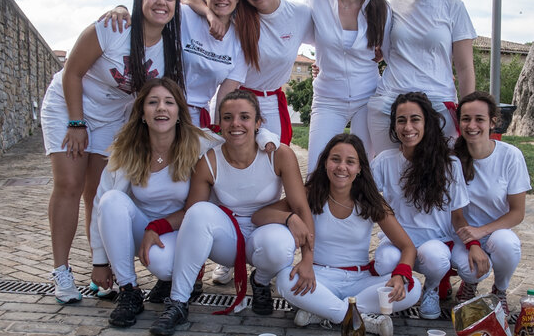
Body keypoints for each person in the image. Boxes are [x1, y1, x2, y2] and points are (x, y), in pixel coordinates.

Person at [40, 0, 184, 304]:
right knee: (69, 185)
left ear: (175, 6)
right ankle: (61, 272)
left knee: (99, 192)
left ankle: (99, 268)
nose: (160, 2)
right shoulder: (112, 28)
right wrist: (76, 123)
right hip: (69, 105)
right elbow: (72, 72)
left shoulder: (168, 49)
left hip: (111, 118)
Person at [148, 89, 315, 336]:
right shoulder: (209, 160)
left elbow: (301, 207)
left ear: (258, 123)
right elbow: (189, 214)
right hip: (227, 238)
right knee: (200, 211)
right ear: (220, 123)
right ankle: (178, 302)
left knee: (279, 245)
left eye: (244, 117)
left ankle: (260, 282)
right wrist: (156, 227)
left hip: (264, 230)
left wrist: (308, 260)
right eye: (227, 117)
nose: (235, 123)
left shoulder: (278, 154)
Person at [88, 78, 218, 327]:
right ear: (142, 113)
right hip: (137, 226)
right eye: (153, 102)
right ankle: (129, 291)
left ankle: (173, 280)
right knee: (111, 200)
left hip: (176, 231)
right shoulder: (126, 148)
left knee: (166, 267)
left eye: (169, 102)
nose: (161, 108)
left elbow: (240, 140)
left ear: (179, 112)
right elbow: (99, 206)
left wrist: (266, 136)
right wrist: (100, 262)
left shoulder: (200, 143)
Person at [262, 133, 420, 336]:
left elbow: (408, 247)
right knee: (285, 279)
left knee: (412, 288)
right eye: (335, 159)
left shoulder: (371, 201)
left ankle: (323, 312)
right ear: (325, 162)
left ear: (360, 168)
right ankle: (359, 319)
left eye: (350, 162)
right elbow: (261, 215)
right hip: (318, 277)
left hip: (360, 279)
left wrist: (400, 274)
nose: (341, 167)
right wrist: (290, 218)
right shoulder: (310, 194)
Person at [183, 0, 314, 145]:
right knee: (229, 161)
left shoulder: (299, 14)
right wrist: (208, 14)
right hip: (236, 100)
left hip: (272, 102)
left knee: (274, 163)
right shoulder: (238, 13)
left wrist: (321, 65)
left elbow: (327, 40)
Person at [367, 0, 477, 156]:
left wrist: (468, 114)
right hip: (389, 102)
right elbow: (374, 50)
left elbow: (465, 67)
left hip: (439, 105)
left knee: (436, 177)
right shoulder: (392, 6)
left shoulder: (453, 7)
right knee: (385, 176)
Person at [101, 0, 247, 129]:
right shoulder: (184, 15)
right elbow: (157, 9)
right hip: (156, 109)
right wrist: (121, 9)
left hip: (194, 118)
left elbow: (224, 96)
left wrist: (218, 131)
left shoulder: (239, 41)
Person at [370, 92, 472, 320]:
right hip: (397, 242)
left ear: (427, 122)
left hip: (434, 243)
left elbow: (457, 216)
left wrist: (472, 243)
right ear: (394, 125)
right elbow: (362, 196)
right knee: (384, 260)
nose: (408, 127)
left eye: (415, 119)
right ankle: (400, 288)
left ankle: (432, 288)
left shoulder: (450, 163)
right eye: (401, 120)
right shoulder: (384, 161)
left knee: (437, 258)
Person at [305, 0, 391, 175]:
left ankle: (361, 212)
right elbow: (301, 32)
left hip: (368, 97)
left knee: (364, 170)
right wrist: (320, 61)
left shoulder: (380, 7)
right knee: (316, 169)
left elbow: (390, 53)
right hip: (328, 97)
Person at [451, 91, 531, 316]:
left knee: (508, 245)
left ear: (493, 122)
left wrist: (481, 232)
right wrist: (472, 241)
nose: (472, 125)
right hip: (461, 234)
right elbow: (455, 214)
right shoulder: (452, 158)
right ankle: (471, 283)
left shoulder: (511, 156)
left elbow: (517, 213)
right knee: (471, 269)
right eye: (466, 119)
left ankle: (500, 290)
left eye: (479, 119)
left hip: (495, 231)